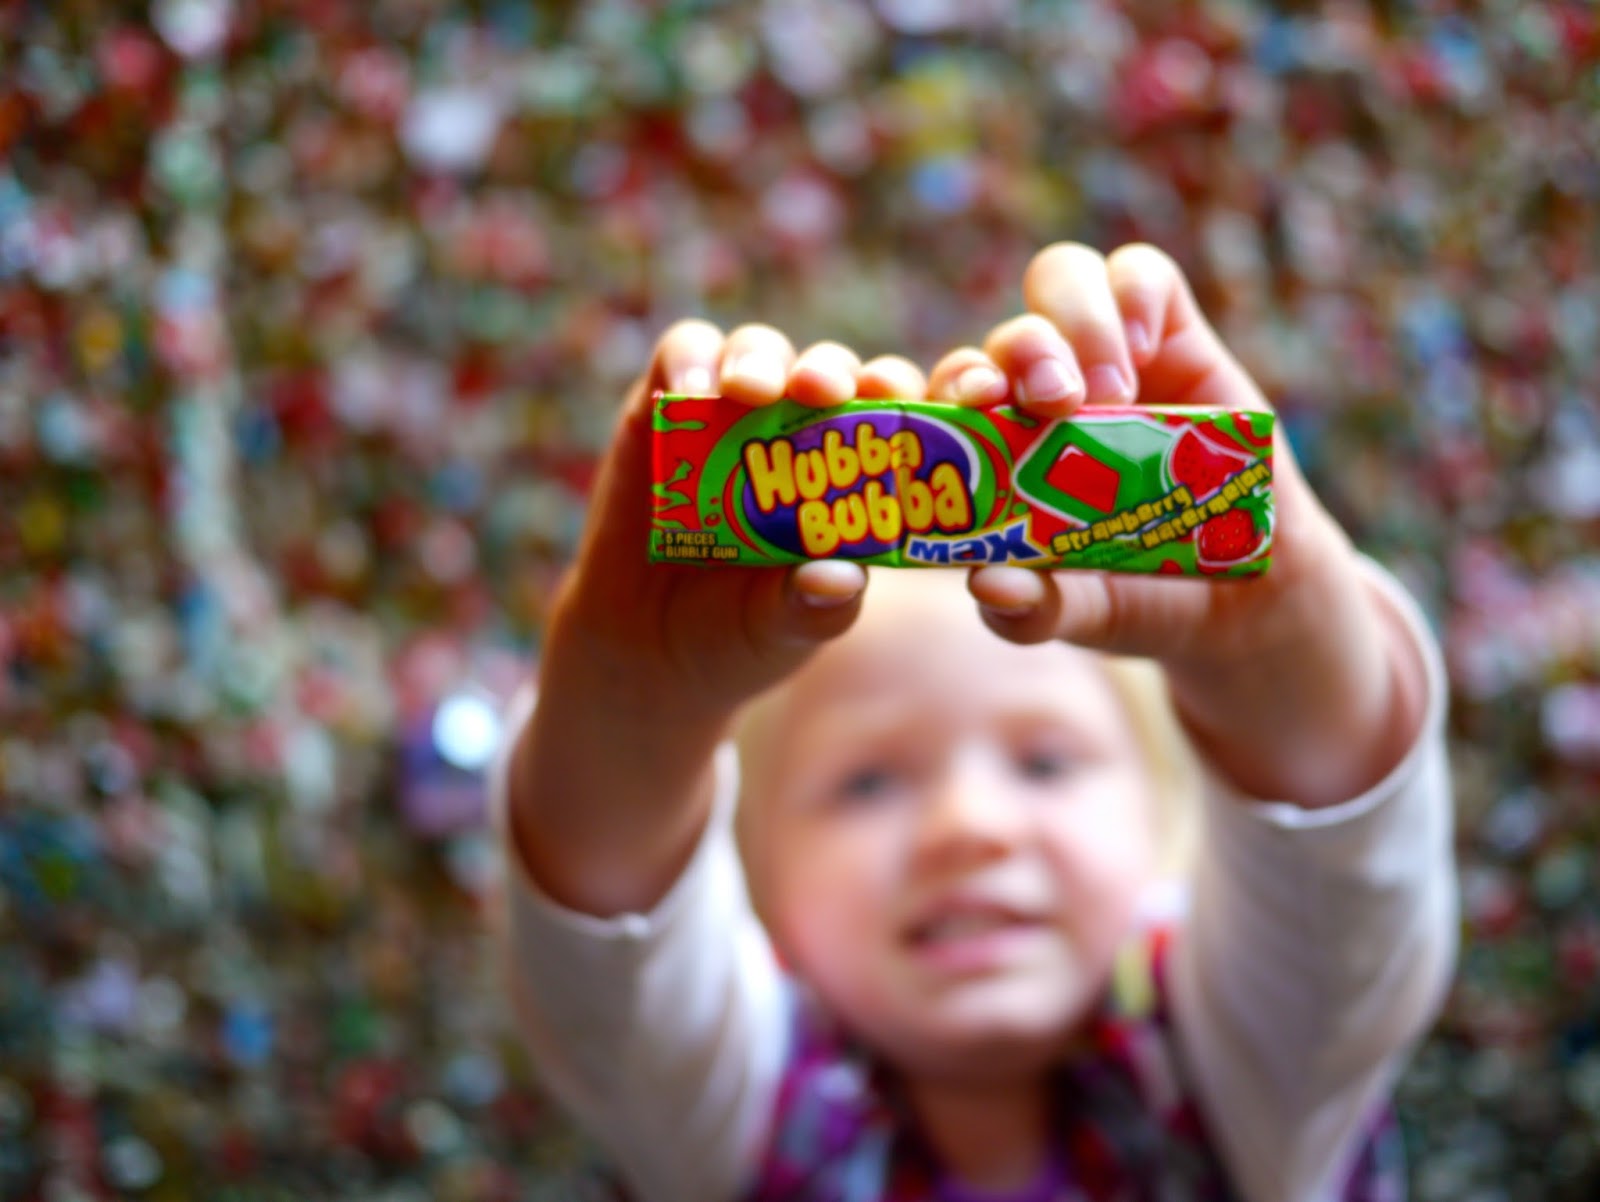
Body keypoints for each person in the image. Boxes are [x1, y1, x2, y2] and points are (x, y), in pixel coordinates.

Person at [490, 242, 1457, 1202]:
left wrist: (1274, 654)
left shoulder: (1253, 1072)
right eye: (866, 782)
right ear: (755, 877)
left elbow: (1344, 920)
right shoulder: (732, 1108)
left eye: (1045, 764)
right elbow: (613, 988)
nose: (970, 829)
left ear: (1168, 829)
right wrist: (631, 706)